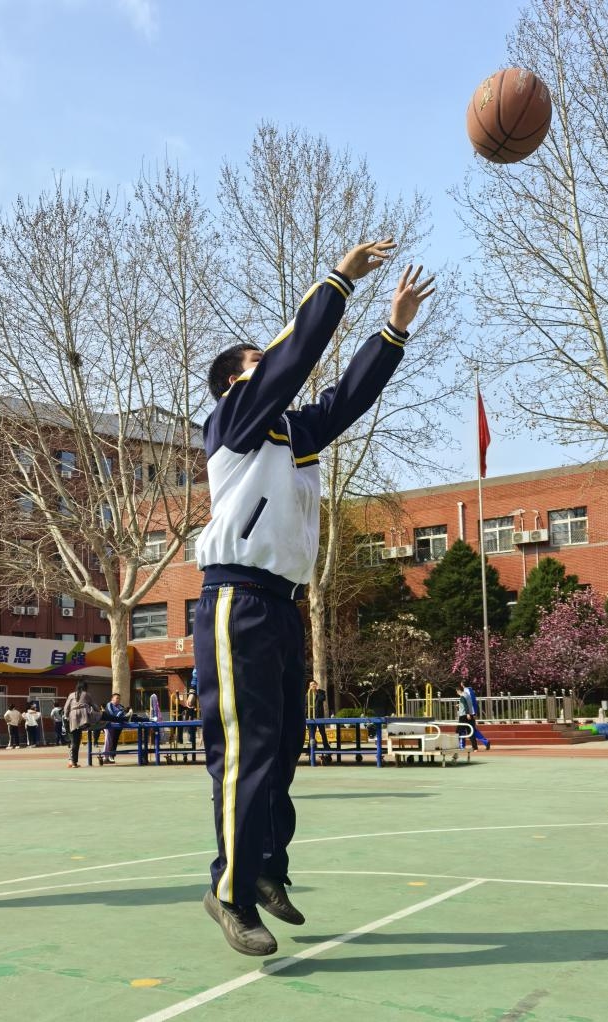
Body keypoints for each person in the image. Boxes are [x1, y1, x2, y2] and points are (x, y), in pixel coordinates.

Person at [193, 238, 434, 956]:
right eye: (257, 365)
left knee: (284, 749)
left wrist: (391, 330)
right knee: (245, 755)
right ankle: (228, 893)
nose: (273, 369)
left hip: (283, 604)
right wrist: (338, 281)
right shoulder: (232, 424)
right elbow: (293, 354)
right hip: (234, 598)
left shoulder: (293, 435)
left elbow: (348, 396)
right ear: (235, 383)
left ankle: (267, 867)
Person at [63, 680, 128, 769]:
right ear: (85, 687)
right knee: (105, 716)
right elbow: (94, 706)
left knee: (75, 742)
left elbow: (66, 708)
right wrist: (100, 713)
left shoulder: (71, 695)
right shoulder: (86, 694)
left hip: (73, 718)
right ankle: (123, 719)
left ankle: (74, 763)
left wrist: (67, 717)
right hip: (85, 717)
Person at [98, 692, 129, 764]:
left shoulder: (120, 706)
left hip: (118, 726)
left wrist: (125, 714)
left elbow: (124, 715)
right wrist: (121, 714)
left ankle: (111, 756)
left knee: (114, 741)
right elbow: (113, 715)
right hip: (108, 725)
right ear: (112, 699)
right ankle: (105, 756)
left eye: (119, 699)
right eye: (117, 698)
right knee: (108, 740)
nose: (118, 700)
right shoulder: (109, 705)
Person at [308, 681, 332, 763]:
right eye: (311, 685)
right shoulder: (307, 694)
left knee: (323, 732)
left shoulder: (321, 692)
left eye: (314, 684)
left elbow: (322, 698)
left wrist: (318, 691)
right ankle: (311, 749)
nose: (313, 686)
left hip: (319, 716)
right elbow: (305, 705)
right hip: (311, 717)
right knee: (311, 734)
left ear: (317, 685)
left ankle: (326, 748)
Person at [462, 683, 490, 751]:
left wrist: (471, 713)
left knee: (466, 729)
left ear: (462, 684)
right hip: (471, 713)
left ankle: (464, 746)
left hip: (469, 714)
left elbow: (471, 703)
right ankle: (484, 742)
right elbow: (474, 703)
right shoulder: (470, 690)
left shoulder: (467, 691)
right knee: (472, 730)